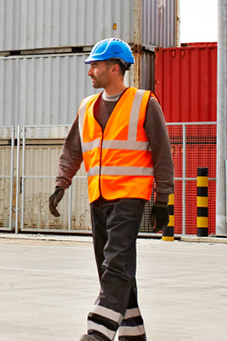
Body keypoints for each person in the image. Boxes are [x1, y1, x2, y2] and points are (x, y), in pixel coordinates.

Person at [50, 38, 174, 341]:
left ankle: (98, 332)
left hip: (130, 197)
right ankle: (133, 335)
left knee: (115, 262)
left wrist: (163, 199)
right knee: (111, 269)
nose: (89, 71)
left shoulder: (145, 102)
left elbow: (162, 152)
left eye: (95, 65)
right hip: (99, 197)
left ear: (115, 68)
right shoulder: (87, 106)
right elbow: (72, 150)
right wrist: (60, 183)